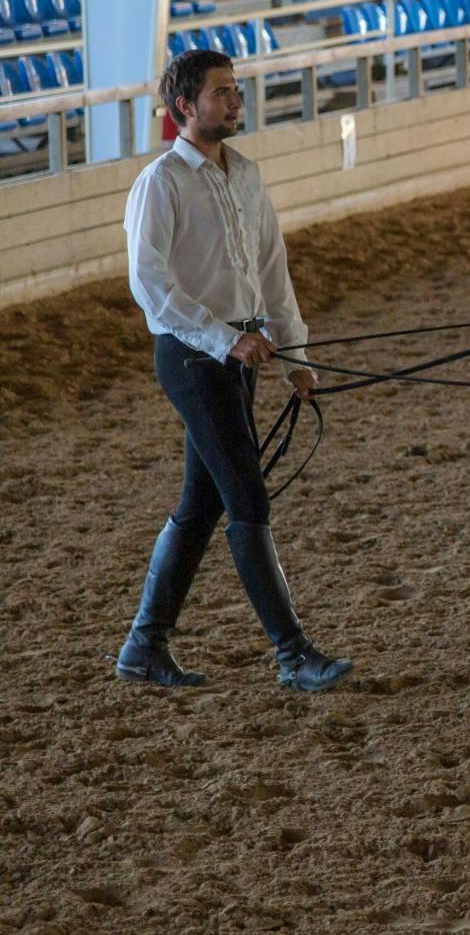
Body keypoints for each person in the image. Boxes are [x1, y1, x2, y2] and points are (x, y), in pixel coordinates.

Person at [115, 47, 352, 693]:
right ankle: (292, 652)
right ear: (185, 106)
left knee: (202, 503)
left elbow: (271, 271)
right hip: (193, 356)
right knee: (246, 498)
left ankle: (144, 644)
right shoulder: (159, 183)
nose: (234, 100)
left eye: (235, 90)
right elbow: (149, 282)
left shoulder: (245, 175)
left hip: (244, 352)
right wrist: (222, 339)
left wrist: (295, 356)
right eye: (222, 92)